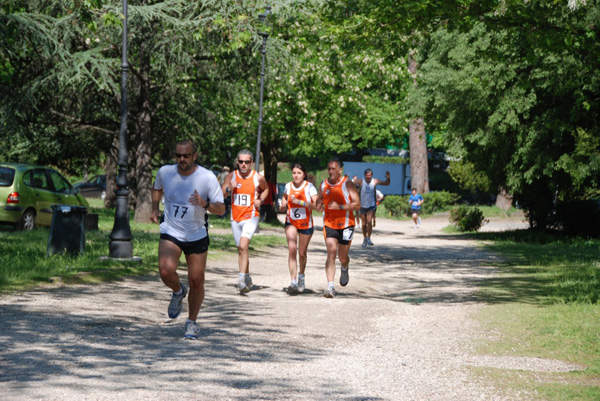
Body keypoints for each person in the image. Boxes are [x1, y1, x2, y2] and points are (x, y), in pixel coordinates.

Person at [151, 139, 225, 340]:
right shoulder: (165, 172)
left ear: (195, 156)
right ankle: (178, 290)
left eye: (186, 155)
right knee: (165, 271)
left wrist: (205, 204)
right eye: (178, 156)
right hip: (171, 231)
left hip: (196, 233)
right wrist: (155, 207)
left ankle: (191, 322)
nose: (182, 159)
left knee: (197, 280)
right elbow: (156, 188)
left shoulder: (207, 177)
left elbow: (221, 208)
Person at [221, 149, 269, 293]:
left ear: (251, 163)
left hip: (251, 216)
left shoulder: (258, 177)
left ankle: (241, 280)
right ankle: (247, 276)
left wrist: (260, 200)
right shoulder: (231, 176)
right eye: (241, 162)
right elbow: (221, 194)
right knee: (241, 249)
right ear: (237, 162)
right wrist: (230, 188)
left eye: (246, 162)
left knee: (243, 246)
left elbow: (266, 189)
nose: (243, 164)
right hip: (235, 218)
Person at [316, 158, 360, 298]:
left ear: (340, 169)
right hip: (329, 223)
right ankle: (330, 287)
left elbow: (357, 204)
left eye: (334, 169)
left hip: (347, 224)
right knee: (331, 251)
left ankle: (345, 266)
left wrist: (340, 207)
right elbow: (320, 198)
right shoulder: (324, 184)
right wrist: (318, 204)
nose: (331, 171)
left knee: (342, 256)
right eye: (329, 169)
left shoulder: (347, 184)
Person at [279, 163, 319, 294]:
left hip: (306, 224)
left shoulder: (309, 187)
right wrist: (283, 204)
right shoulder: (288, 186)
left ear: (304, 174)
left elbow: (316, 206)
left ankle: (301, 275)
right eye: (294, 173)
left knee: (301, 253)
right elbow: (284, 197)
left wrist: (300, 202)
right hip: (291, 222)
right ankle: (293, 281)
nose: (296, 175)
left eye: (299, 173)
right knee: (292, 249)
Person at [352, 169, 390, 247]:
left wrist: (388, 178)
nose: (368, 177)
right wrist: (355, 188)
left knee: (369, 221)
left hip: (371, 205)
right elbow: (349, 184)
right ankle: (364, 238)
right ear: (364, 175)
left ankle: (369, 237)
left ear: (372, 175)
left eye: (370, 175)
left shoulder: (375, 181)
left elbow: (386, 183)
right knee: (363, 223)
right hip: (362, 205)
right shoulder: (361, 181)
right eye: (367, 176)